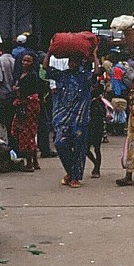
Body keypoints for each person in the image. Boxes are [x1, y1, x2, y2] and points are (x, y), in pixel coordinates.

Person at [47, 49, 97, 188]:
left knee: (79, 148)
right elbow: (46, 68)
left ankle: (75, 177)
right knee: (60, 143)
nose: (71, 64)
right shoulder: (62, 75)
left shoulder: (85, 76)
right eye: (70, 62)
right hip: (63, 118)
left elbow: (97, 72)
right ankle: (70, 171)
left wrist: (94, 56)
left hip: (80, 118)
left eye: (74, 62)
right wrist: (50, 52)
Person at [11, 53, 44, 172]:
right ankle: (34, 162)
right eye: (24, 60)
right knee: (28, 134)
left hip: (27, 107)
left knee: (26, 134)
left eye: (28, 61)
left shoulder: (32, 76)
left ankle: (29, 163)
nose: (25, 63)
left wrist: (17, 89)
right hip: (25, 105)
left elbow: (27, 91)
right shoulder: (22, 74)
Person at [87, 82, 108, 178]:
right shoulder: (87, 102)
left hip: (97, 129)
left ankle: (97, 168)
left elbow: (103, 115)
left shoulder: (99, 103)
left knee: (97, 149)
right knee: (86, 149)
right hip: (89, 128)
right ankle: (95, 163)